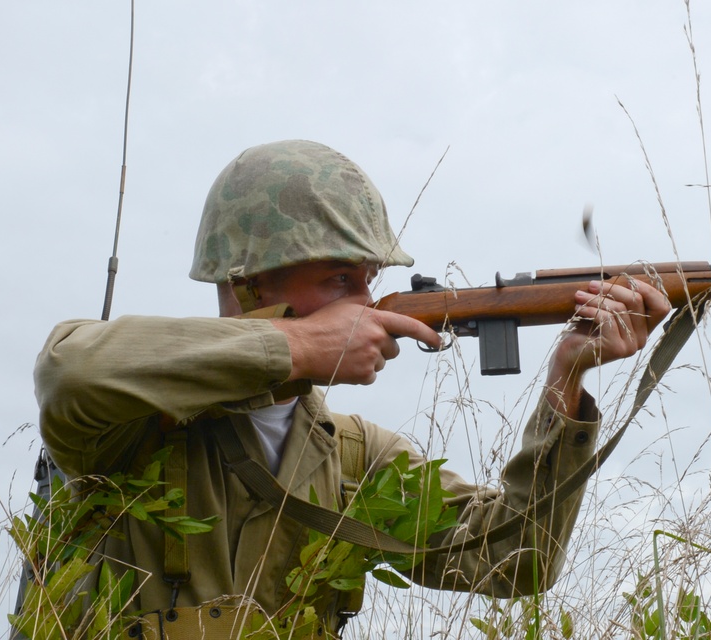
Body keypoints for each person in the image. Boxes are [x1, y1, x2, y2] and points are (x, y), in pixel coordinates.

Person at [33, 140, 670, 638]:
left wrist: (567, 377)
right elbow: (69, 370)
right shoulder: (126, 425)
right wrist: (301, 348)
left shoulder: (355, 457)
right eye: (341, 280)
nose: (366, 304)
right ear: (250, 285)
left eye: (369, 279)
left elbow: (517, 558)